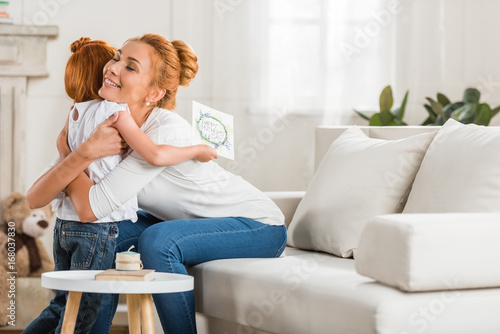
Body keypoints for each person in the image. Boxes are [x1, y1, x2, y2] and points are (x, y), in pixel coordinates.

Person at [26, 33, 286, 334]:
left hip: (258, 225)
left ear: (153, 94)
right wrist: (78, 154)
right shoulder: (102, 124)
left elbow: (88, 209)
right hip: (182, 220)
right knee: (104, 238)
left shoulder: (163, 131)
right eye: (117, 57)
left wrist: (72, 155)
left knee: (159, 241)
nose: (113, 67)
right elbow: (35, 199)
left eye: (130, 66)